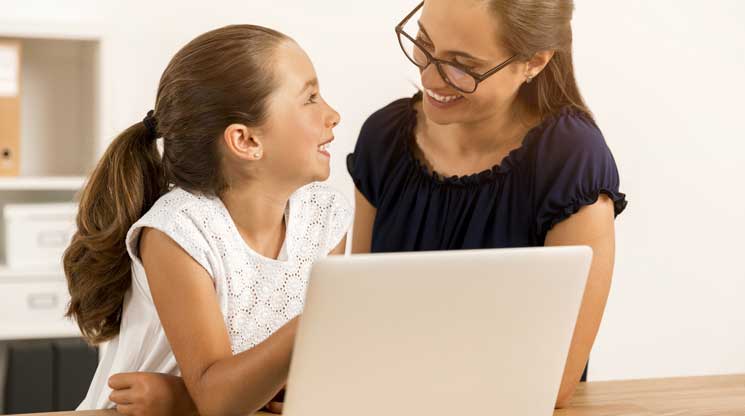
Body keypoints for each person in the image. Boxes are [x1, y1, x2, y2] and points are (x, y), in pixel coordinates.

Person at [347, 0, 627, 407]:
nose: (429, 76)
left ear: (534, 62)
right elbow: (365, 314)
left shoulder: (569, 158)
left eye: (462, 64)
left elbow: (557, 382)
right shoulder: (384, 137)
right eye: (423, 44)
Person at [64, 24, 351, 415]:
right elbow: (218, 399)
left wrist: (178, 399)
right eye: (311, 98)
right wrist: (320, 318)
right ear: (246, 141)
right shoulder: (178, 232)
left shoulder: (324, 216)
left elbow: (310, 379)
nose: (333, 115)